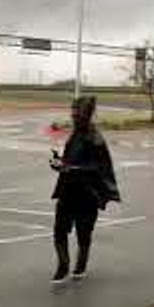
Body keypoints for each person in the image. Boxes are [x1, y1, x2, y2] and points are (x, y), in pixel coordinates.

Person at [49, 95, 120, 285]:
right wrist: (58, 163)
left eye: (77, 113)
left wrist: (70, 168)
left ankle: (80, 266)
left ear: (86, 115)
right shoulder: (75, 135)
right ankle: (63, 267)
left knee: (83, 233)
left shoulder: (95, 139)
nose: (73, 116)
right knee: (59, 230)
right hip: (67, 191)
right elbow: (69, 161)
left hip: (87, 195)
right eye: (72, 112)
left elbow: (100, 169)